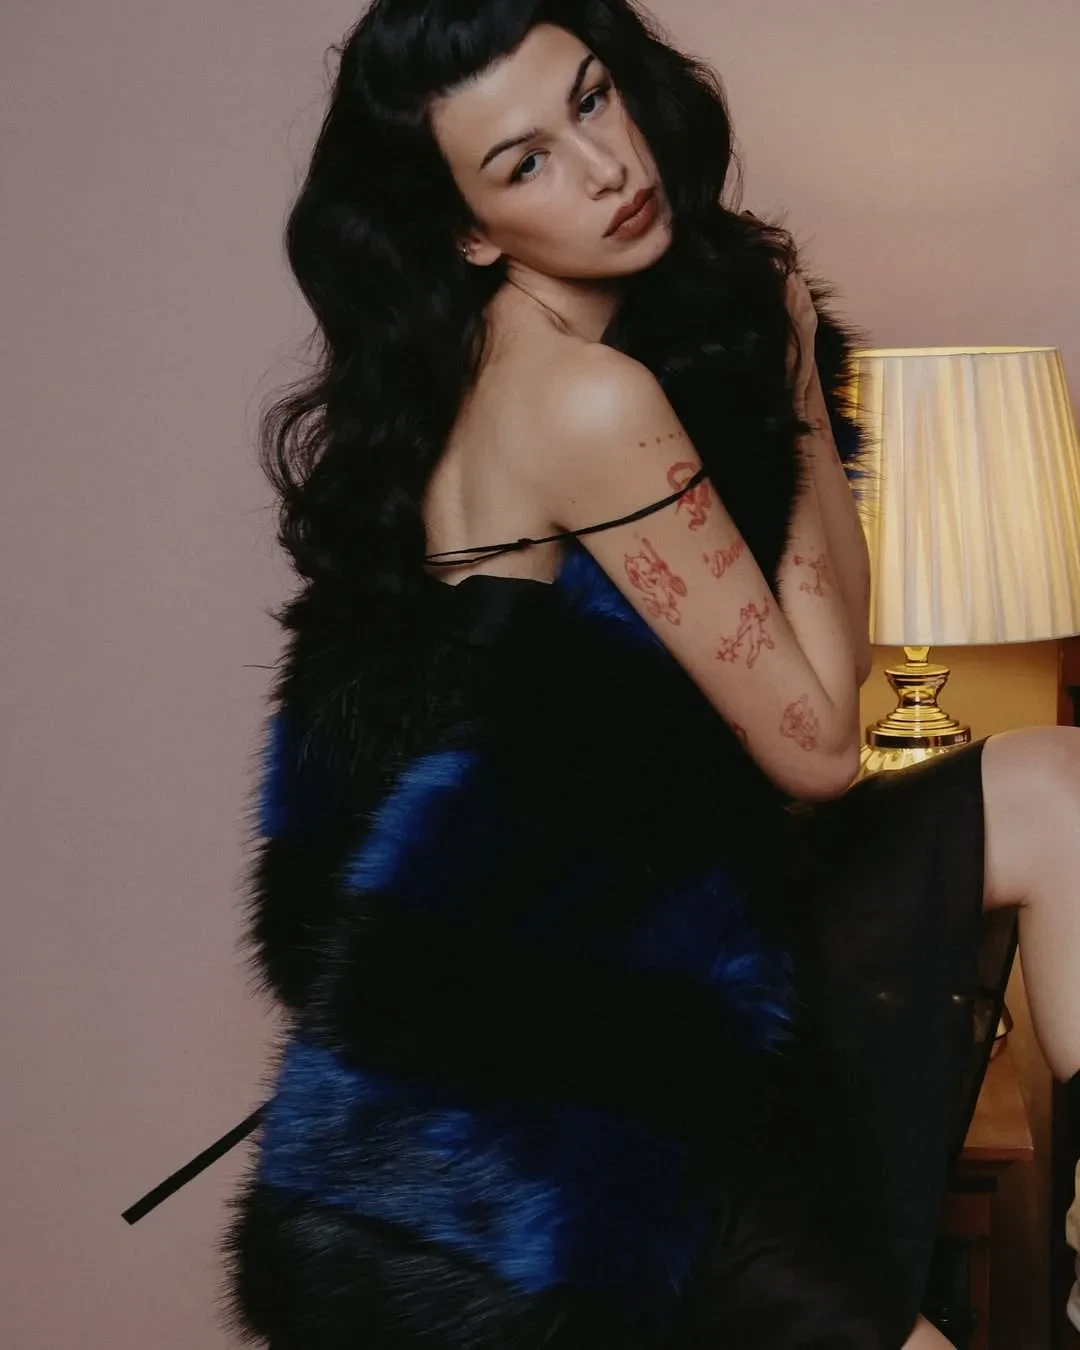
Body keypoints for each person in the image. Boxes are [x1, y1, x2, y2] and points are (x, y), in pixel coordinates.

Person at [121, 2, 1080, 1345]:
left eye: (588, 100)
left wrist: (784, 384)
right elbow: (818, 746)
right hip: (560, 1074)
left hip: (640, 940)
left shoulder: (513, 365)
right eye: (523, 163)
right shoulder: (586, 399)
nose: (605, 166)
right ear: (468, 229)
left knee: (1055, 786)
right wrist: (794, 382)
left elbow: (780, 708)